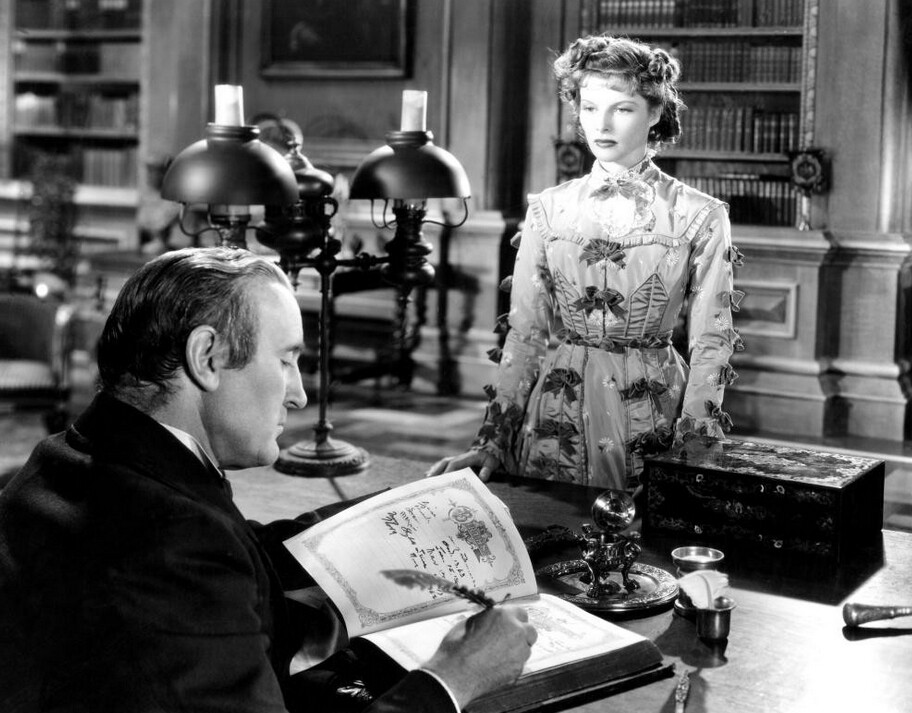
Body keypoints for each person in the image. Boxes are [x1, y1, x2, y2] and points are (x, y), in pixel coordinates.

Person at [0, 247, 536, 712]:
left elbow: (241, 547)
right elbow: (202, 558)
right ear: (206, 358)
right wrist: (453, 677)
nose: (299, 395)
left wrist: (414, 510)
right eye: (285, 361)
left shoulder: (64, 464)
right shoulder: (173, 545)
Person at [429, 35, 742, 491]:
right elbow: (525, 333)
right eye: (590, 107)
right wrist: (492, 440)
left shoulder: (700, 214)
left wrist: (692, 449)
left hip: (651, 411)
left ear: (655, 112)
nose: (602, 123)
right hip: (557, 410)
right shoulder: (548, 209)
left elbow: (712, 340)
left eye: (623, 108)